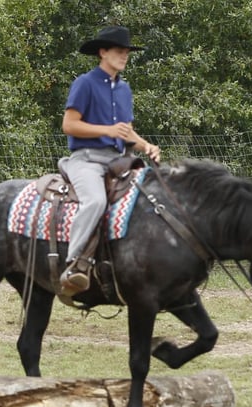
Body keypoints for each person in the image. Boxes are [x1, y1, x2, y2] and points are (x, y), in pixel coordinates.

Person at [59, 25, 161, 296]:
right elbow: (69, 125)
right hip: (86, 160)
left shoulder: (124, 89)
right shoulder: (85, 83)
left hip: (119, 161)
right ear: (102, 52)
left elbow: (126, 133)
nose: (125, 56)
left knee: (151, 198)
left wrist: (146, 146)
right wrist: (108, 130)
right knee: (95, 201)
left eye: (127, 52)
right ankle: (74, 264)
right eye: (119, 51)